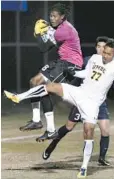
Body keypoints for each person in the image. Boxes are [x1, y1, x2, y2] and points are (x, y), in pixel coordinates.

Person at [4, 38, 114, 178]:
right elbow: (86, 73)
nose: (105, 55)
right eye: (104, 52)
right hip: (80, 92)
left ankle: (84, 168)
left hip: (92, 103)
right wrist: (74, 72)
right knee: (50, 87)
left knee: (88, 131)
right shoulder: (95, 58)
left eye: (109, 54)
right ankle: (19, 97)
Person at [41, 36, 114, 166]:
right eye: (99, 47)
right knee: (69, 127)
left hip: (99, 103)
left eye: (103, 48)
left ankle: (101, 158)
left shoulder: (112, 64)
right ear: (96, 48)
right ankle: (52, 145)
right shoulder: (88, 61)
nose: (101, 50)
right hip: (83, 99)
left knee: (105, 129)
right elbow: (74, 74)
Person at [19, 3, 83, 141]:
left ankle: (51, 130)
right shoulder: (60, 27)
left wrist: (38, 34)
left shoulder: (64, 30)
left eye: (55, 16)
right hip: (61, 62)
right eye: (51, 15)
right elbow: (51, 30)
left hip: (70, 65)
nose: (52, 18)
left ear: (62, 17)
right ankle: (37, 120)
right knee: (34, 82)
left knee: (45, 89)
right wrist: (47, 28)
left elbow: (44, 48)